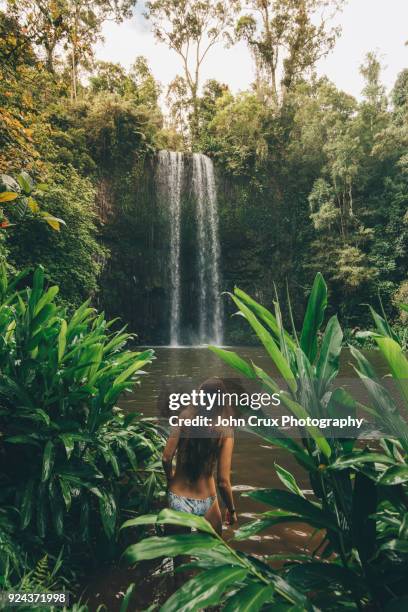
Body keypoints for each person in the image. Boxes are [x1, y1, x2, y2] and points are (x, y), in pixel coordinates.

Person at [162, 378, 237, 535]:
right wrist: (231, 509)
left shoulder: (183, 418)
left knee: (179, 557)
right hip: (207, 500)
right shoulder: (225, 431)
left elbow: (166, 458)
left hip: (178, 496)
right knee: (210, 556)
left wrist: (170, 478)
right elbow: (223, 482)